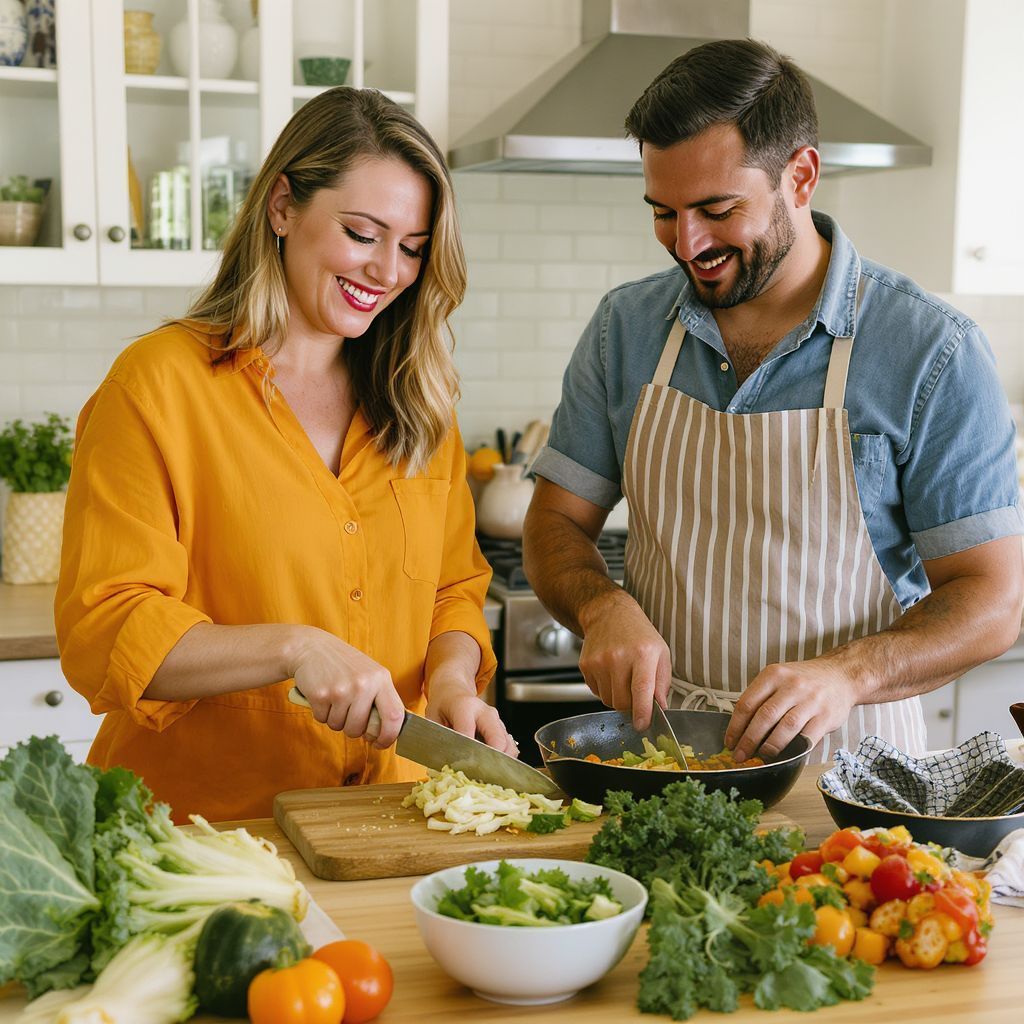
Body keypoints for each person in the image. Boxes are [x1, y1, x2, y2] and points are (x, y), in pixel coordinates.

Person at [523, 39, 1024, 766]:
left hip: (847, 769)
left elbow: (993, 601)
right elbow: (555, 521)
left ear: (801, 175)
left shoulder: (930, 350)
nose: (687, 243)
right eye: (662, 211)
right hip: (663, 758)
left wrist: (849, 674)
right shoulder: (625, 329)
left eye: (716, 209)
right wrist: (601, 607)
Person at [55, 87, 515, 823]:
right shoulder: (158, 385)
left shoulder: (418, 400)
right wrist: (293, 648)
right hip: (203, 834)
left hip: (388, 821)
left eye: (413, 248)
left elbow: (453, 588)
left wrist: (455, 680)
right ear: (282, 207)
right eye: (363, 234)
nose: (389, 271)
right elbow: (105, 627)